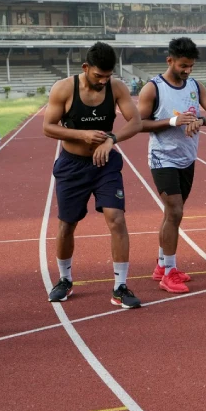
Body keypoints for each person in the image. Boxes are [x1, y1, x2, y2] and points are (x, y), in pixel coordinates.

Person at [42, 42, 144, 308]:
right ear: (85, 68)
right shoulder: (64, 89)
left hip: (105, 164)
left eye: (108, 76)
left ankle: (120, 286)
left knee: (117, 218)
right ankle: (65, 279)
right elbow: (48, 127)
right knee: (67, 223)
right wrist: (82, 135)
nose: (103, 81)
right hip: (72, 165)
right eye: (98, 75)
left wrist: (111, 139)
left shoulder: (116, 87)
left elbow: (136, 121)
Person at [138, 38, 206, 294]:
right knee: (175, 212)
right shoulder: (153, 88)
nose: (187, 71)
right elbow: (139, 124)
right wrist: (172, 121)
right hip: (163, 158)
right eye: (183, 65)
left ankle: (161, 265)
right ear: (170, 61)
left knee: (171, 214)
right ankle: (169, 272)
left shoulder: (195, 86)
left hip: (187, 158)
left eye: (191, 66)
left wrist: (201, 121)